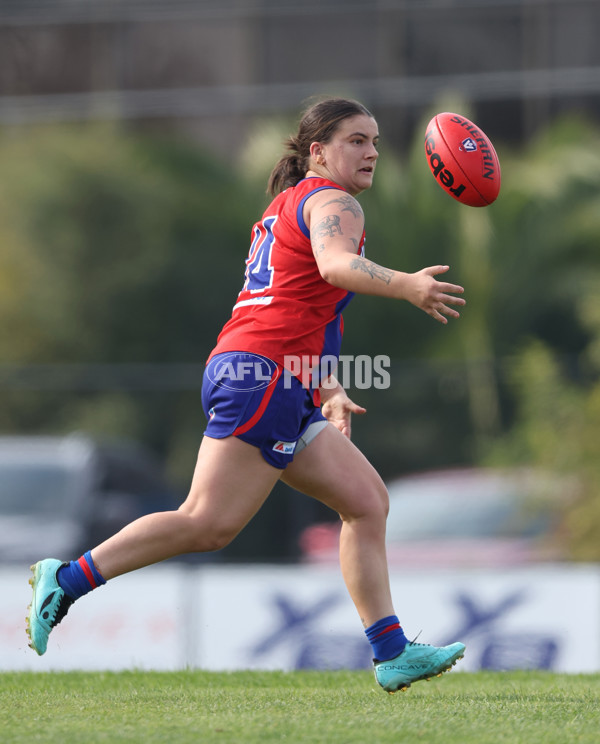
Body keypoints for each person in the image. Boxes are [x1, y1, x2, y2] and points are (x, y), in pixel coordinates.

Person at [27, 97, 466, 693]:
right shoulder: (334, 203)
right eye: (356, 141)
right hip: (263, 376)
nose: (371, 153)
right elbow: (336, 268)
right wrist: (407, 284)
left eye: (376, 142)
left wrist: (328, 386)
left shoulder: (291, 204)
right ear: (318, 151)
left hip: (271, 373)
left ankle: (391, 652)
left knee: (365, 502)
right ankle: (69, 579)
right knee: (208, 523)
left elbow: (300, 306)